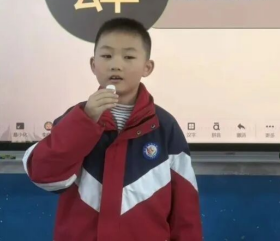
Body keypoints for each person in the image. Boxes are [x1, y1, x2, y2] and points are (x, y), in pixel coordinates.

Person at [23, 18, 202, 241]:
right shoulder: (76, 119)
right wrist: (85, 121)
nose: (116, 65)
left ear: (147, 67)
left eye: (128, 57)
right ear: (93, 64)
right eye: (107, 56)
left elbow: (186, 211)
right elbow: (44, 176)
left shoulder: (165, 127)